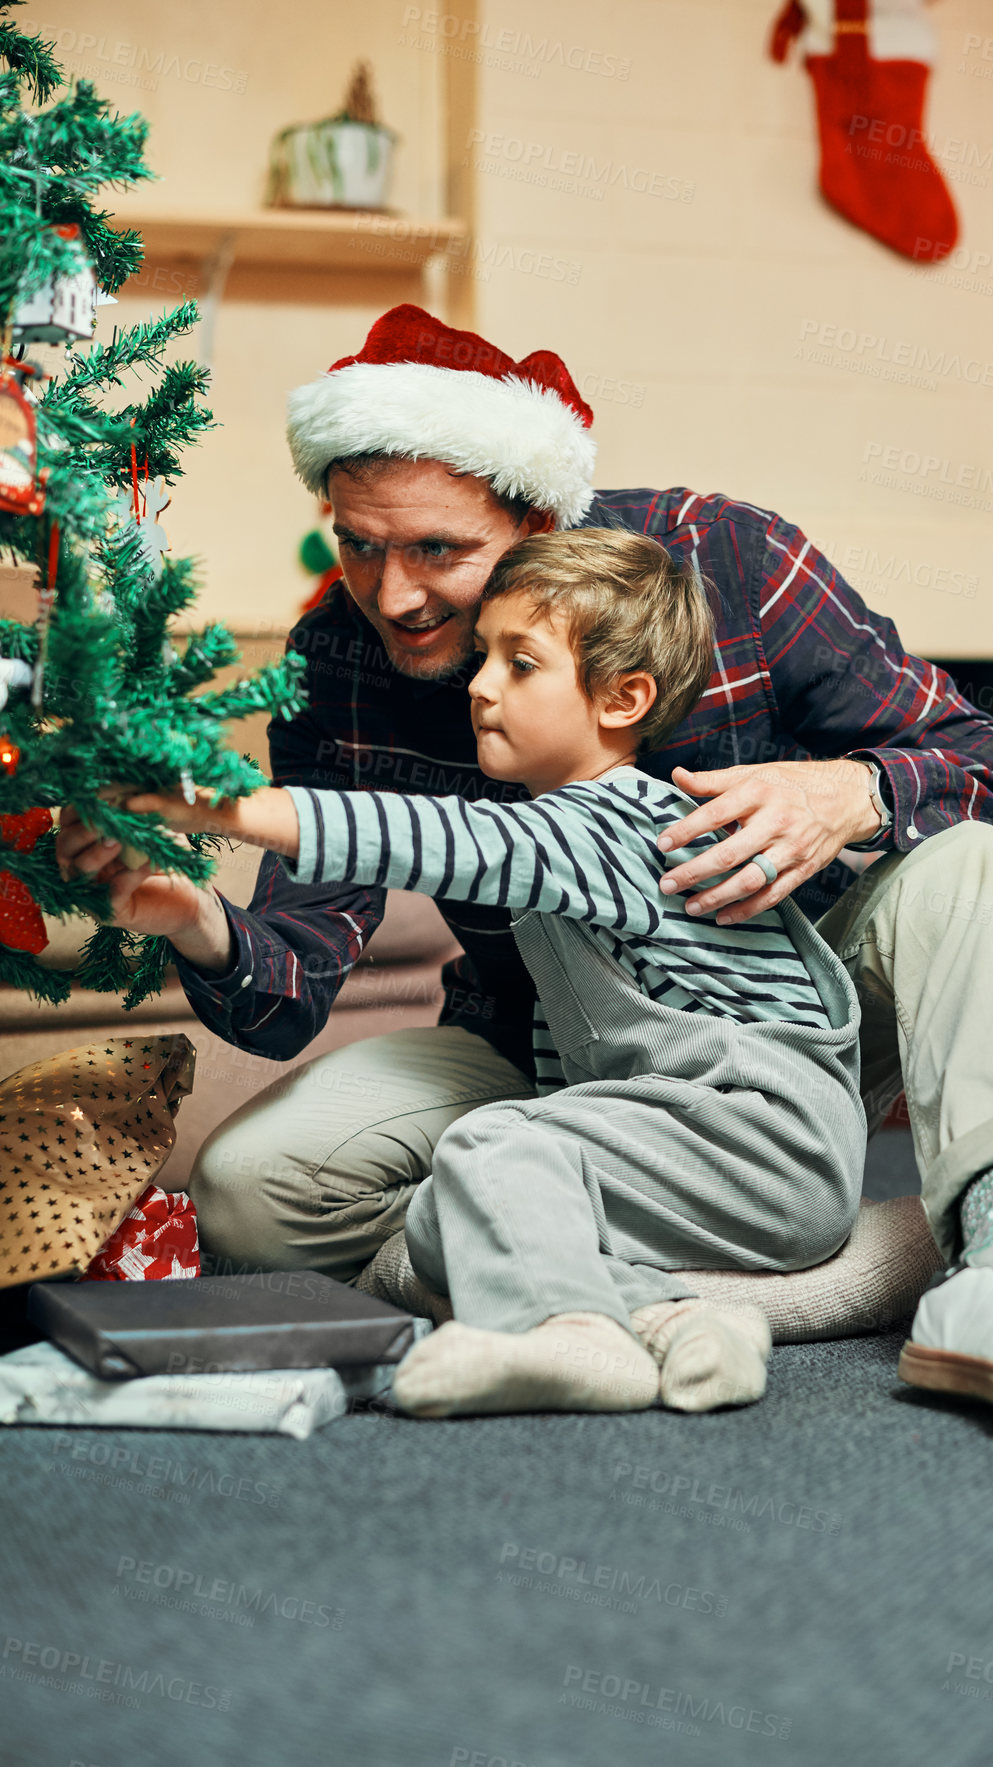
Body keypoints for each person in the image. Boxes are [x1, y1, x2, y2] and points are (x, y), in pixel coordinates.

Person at [60, 304, 993, 1421]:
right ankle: (763, 1281)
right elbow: (292, 982)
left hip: (774, 1045)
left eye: (439, 550)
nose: (394, 596)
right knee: (248, 1194)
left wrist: (846, 793)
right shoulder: (341, 651)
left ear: (534, 518)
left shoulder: (730, 561)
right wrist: (200, 920)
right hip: (541, 1045)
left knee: (965, 856)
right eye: (358, 543)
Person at [131, 527, 869, 1417]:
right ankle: (682, 1324)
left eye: (520, 664)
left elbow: (439, 839)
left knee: (491, 1145)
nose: (479, 685)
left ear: (623, 698)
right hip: (697, 1138)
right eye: (484, 656)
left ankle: (572, 1338)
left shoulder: (607, 821)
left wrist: (223, 804)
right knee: (481, 1201)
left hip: (760, 1135)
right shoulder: (565, 829)